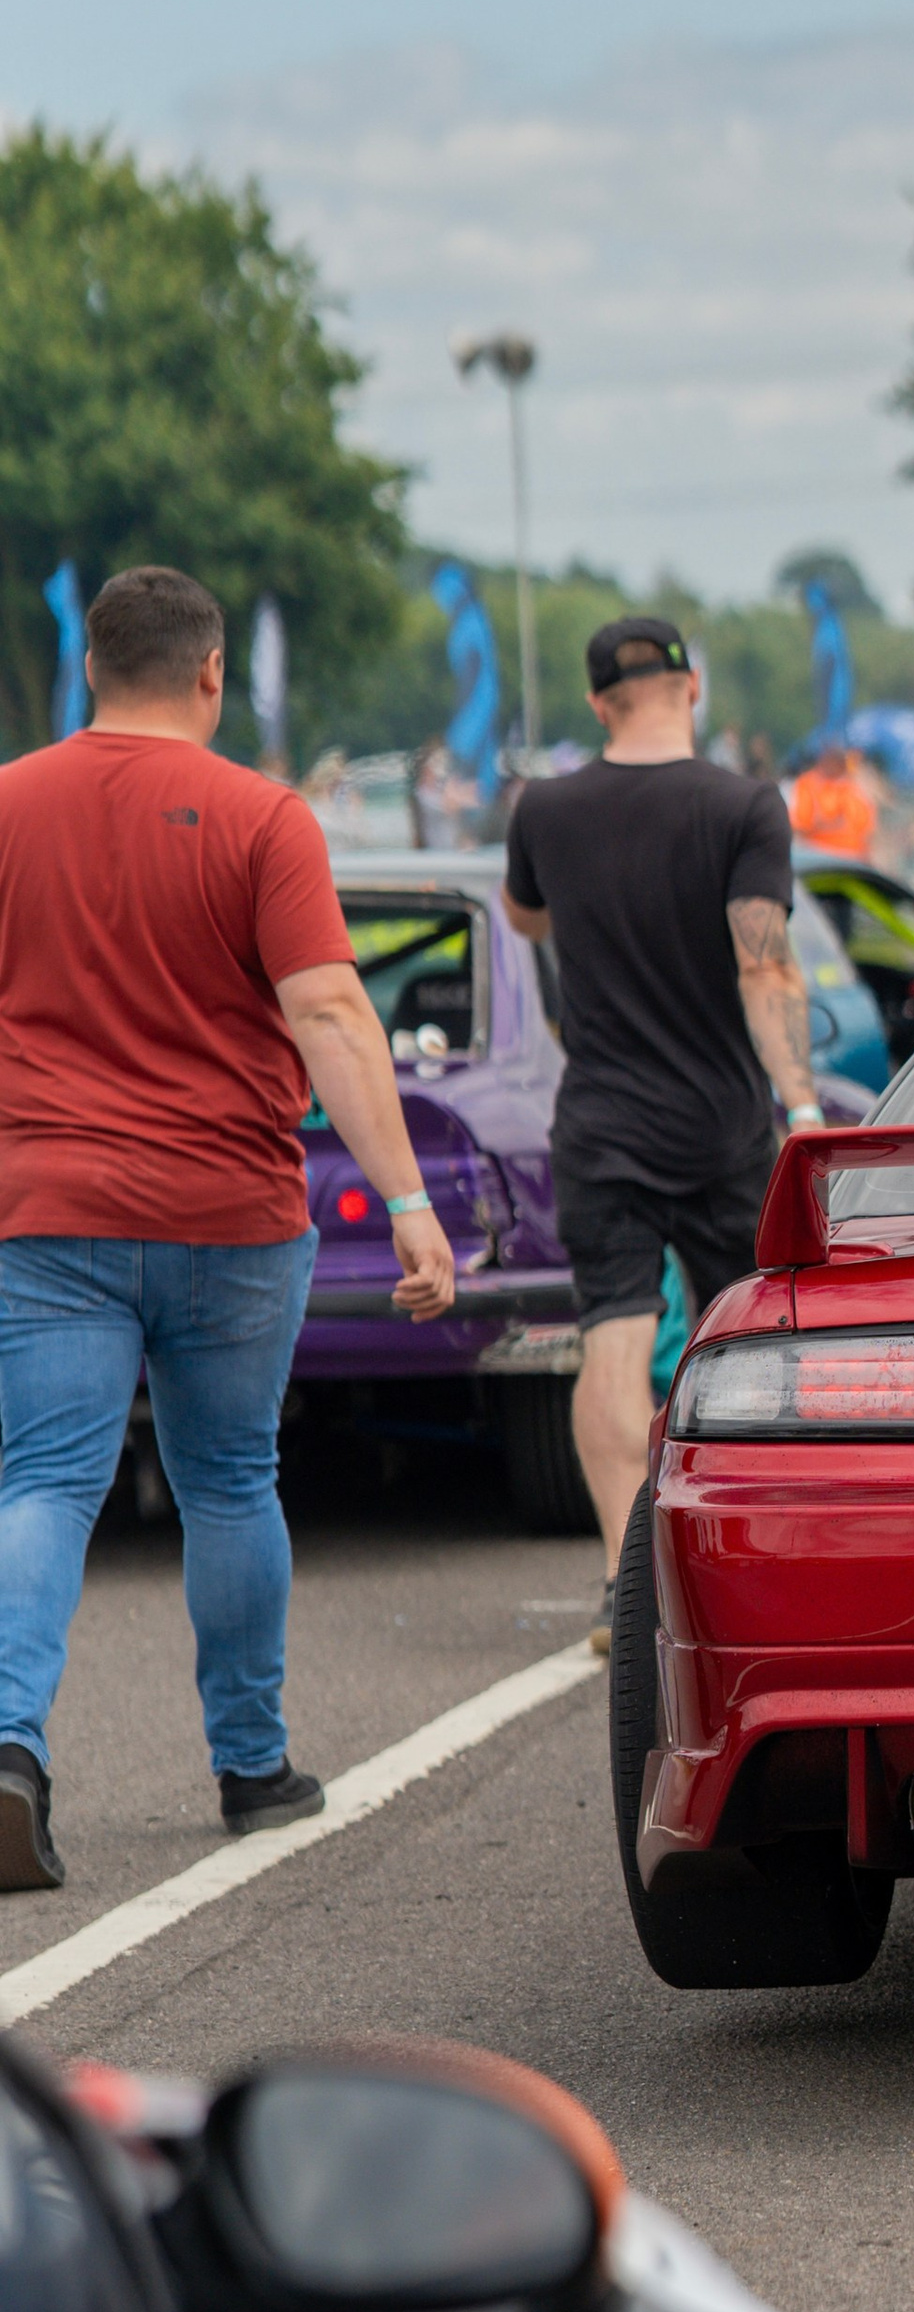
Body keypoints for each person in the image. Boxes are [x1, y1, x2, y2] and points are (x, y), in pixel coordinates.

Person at [0, 566, 457, 1890]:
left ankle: (10, 1745)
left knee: (42, 1483)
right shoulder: (265, 818)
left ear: (90, 666)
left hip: (47, 1211)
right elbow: (328, 1014)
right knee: (230, 1481)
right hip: (231, 1211)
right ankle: (253, 1767)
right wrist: (413, 1209)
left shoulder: (10, 804)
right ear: (213, 674)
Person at [501, 617, 819, 1644]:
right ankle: (754, 1575)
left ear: (597, 703)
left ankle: (620, 1586)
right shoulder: (741, 805)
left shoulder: (543, 808)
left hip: (599, 1124)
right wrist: (803, 1103)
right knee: (755, 1345)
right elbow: (762, 962)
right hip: (721, 1123)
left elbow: (524, 917)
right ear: (692, 687)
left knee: (614, 1341)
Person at [790, 737, 877, 857]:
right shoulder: (808, 785)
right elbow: (802, 826)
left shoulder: (853, 788)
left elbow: (866, 830)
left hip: (853, 858)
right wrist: (829, 822)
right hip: (820, 857)